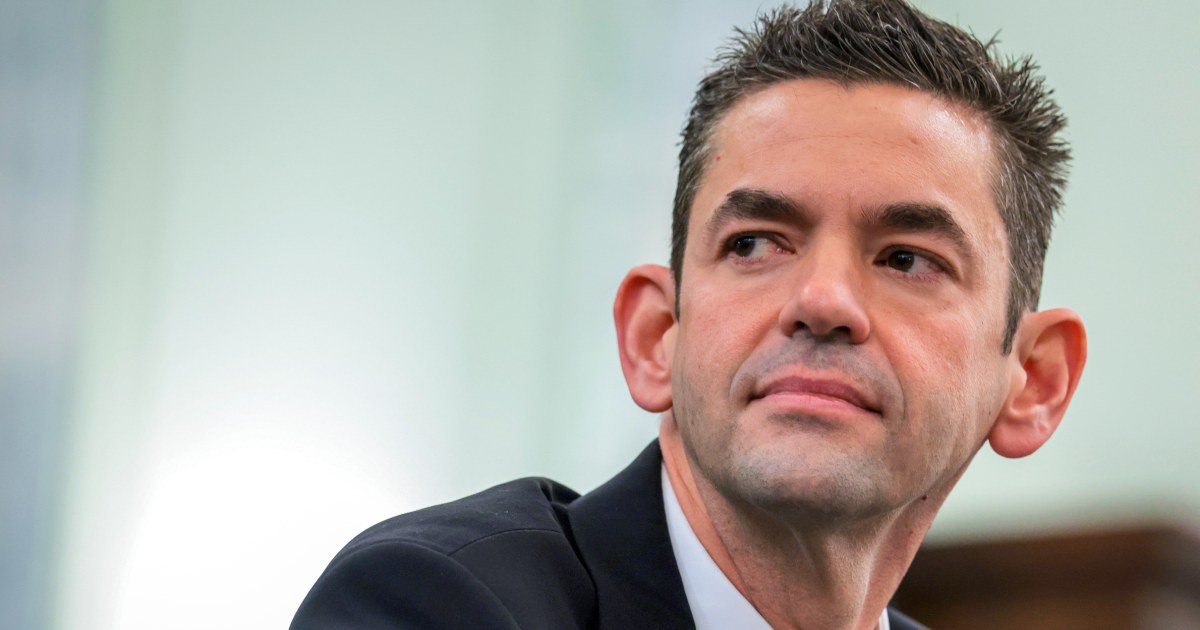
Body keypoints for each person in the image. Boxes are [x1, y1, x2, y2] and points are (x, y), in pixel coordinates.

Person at [291, 1, 1087, 628]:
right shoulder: (440, 604)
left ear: (1035, 383)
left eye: (907, 259)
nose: (821, 301)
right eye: (755, 244)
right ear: (655, 338)